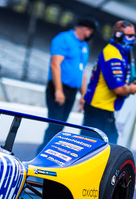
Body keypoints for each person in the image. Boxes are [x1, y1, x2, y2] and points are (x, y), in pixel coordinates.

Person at [82, 20, 136, 144]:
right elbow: (119, 89)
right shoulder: (113, 55)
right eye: (130, 35)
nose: (133, 39)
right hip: (98, 109)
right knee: (93, 148)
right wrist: (134, 89)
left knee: (107, 146)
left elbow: (123, 82)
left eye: (134, 36)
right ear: (118, 35)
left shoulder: (121, 53)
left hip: (104, 109)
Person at [37, 18, 98, 153]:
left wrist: (83, 94)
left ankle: (48, 155)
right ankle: (41, 155)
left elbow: (82, 72)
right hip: (58, 87)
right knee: (55, 125)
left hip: (72, 90)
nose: (91, 35)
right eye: (91, 31)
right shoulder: (64, 39)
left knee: (61, 126)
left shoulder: (84, 46)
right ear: (85, 28)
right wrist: (58, 91)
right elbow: (55, 64)